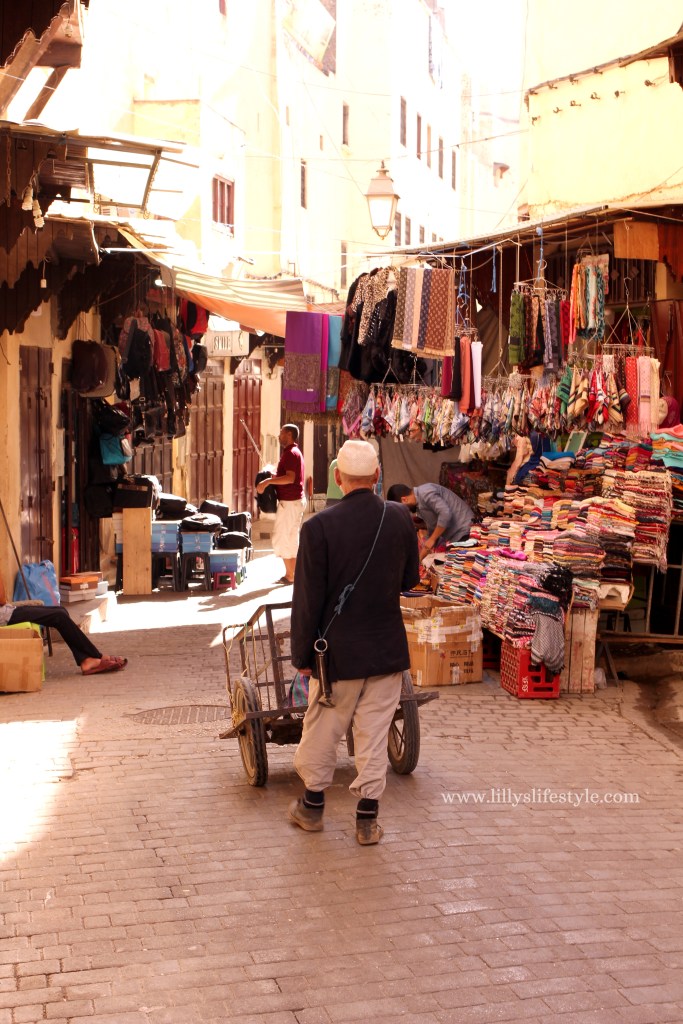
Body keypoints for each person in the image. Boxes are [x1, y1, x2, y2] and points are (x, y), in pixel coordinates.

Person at [289, 439, 419, 845]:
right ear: (377, 476)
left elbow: (307, 599)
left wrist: (302, 656)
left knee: (323, 730)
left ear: (338, 478)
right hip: (385, 652)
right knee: (374, 735)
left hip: (336, 657)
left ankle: (312, 808)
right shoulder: (400, 518)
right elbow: (410, 580)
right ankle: (367, 820)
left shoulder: (317, 527)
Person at [0, 572, 127, 675]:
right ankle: (94, 658)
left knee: (61, 611)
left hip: (7, 612)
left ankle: (87, 659)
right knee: (59, 616)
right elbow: (2, 598)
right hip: (4, 617)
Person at [255, 423, 305, 584]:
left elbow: (290, 478)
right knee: (290, 537)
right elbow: (287, 475)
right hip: (294, 502)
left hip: (290, 503)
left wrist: (269, 481)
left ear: (289, 435)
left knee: (281, 538)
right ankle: (292, 574)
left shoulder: (291, 453)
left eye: (282, 433)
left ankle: (291, 574)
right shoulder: (293, 452)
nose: (279, 436)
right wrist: (272, 473)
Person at [386, 481, 473, 560]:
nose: (406, 511)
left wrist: (432, 539)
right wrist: (421, 556)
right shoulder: (419, 506)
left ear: (404, 499)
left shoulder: (425, 492)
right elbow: (433, 528)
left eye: (402, 508)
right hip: (457, 535)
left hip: (465, 530)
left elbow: (445, 513)